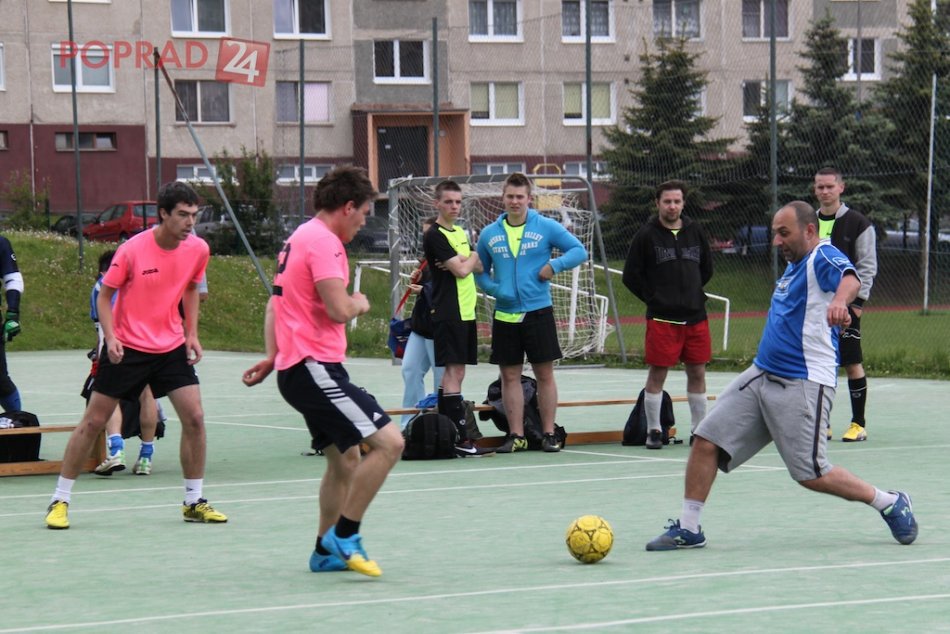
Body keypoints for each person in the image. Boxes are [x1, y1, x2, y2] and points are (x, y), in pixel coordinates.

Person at [645, 201, 917, 551]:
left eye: (784, 233)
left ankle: (890, 502)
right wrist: (832, 311)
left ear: (808, 230)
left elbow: (850, 277)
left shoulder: (822, 255)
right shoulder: (794, 266)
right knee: (705, 440)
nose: (776, 241)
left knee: (812, 473)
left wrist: (840, 302)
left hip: (802, 383)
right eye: (775, 233)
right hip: (761, 374)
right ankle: (689, 527)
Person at [242, 166, 404, 578]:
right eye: (365, 212)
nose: (365, 220)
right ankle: (345, 535)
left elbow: (274, 305)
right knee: (389, 443)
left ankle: (323, 551)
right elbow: (338, 309)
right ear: (347, 207)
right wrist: (361, 301)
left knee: (346, 458)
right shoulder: (325, 243)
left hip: (300, 368)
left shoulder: (298, 238)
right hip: (314, 368)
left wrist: (272, 356)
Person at [45, 181, 227, 529]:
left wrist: (191, 333)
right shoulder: (131, 250)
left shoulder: (198, 249)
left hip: (171, 347)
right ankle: (59, 500)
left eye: (194, 215)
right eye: (183, 215)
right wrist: (110, 337)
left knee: (195, 418)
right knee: (94, 421)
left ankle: (194, 501)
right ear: (163, 214)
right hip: (127, 348)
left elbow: (191, 287)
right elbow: (104, 296)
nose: (190, 222)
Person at [475, 172, 588, 453]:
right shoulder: (489, 234)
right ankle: (517, 435)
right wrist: (495, 290)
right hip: (505, 316)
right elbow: (480, 273)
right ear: (502, 198)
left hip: (539, 312)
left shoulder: (545, 227)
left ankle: (549, 433)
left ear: (529, 199)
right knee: (509, 377)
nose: (515, 201)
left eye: (520, 197)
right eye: (510, 196)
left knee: (544, 374)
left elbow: (578, 250)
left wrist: (554, 267)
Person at [622, 180, 713, 449]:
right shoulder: (646, 235)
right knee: (657, 373)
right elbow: (631, 276)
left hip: (696, 318)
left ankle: (699, 430)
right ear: (657, 203)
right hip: (662, 320)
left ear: (683, 203)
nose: (672, 206)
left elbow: (706, 268)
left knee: (697, 372)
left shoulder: (695, 231)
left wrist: (692, 293)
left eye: (677, 201)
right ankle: (653, 430)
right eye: (667, 201)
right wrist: (656, 298)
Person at [424, 181, 492, 457]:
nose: (454, 206)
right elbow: (464, 270)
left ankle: (448, 434)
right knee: (454, 373)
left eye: (458, 202)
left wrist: (466, 260)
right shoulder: (435, 235)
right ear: (437, 203)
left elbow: (477, 266)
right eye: (449, 201)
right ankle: (460, 439)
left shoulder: (460, 232)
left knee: (455, 373)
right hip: (448, 310)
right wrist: (470, 258)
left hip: (466, 311)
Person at [83, 250, 162, 476]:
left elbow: (106, 319)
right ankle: (146, 456)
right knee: (147, 394)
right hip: (147, 339)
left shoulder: (103, 286)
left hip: (117, 341)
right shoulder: (140, 282)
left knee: (110, 395)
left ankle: (116, 449)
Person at [814, 167, 877, 442]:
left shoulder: (858, 222)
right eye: (820, 187)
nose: (825, 191)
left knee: (851, 361)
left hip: (847, 307)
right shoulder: (808, 221)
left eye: (830, 186)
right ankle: (822, 423)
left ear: (841, 187)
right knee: (820, 364)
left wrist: (857, 302)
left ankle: (857, 424)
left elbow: (866, 266)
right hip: (816, 308)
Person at [400, 216, 444, 428]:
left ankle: (440, 424)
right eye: (424, 234)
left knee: (440, 379)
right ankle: (411, 421)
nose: (425, 238)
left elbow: (448, 290)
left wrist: (425, 289)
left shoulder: (447, 259)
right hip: (421, 326)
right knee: (410, 369)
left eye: (430, 234)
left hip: (439, 328)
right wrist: (418, 280)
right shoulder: (426, 258)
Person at [0, 233, 23, 413]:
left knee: (0, 381)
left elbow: (13, 278)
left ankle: (18, 424)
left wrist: (13, 312)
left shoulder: (1, 243)